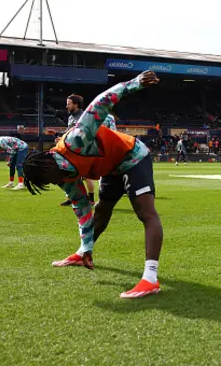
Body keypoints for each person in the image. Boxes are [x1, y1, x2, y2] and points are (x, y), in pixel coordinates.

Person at [22, 71, 163, 298]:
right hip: (110, 168)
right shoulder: (63, 177)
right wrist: (87, 245)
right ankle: (83, 252)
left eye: (49, 180)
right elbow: (82, 211)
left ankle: (150, 278)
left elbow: (101, 102)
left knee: (146, 213)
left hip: (132, 156)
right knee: (101, 210)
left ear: (49, 167)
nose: (55, 184)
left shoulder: (76, 139)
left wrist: (135, 83)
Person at [58, 94, 117, 207]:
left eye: (68, 104)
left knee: (88, 176)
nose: (66, 106)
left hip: (89, 150)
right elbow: (70, 132)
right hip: (73, 150)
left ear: (76, 104)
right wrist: (60, 136)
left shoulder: (86, 117)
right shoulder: (71, 118)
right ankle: (72, 197)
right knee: (70, 174)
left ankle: (92, 199)